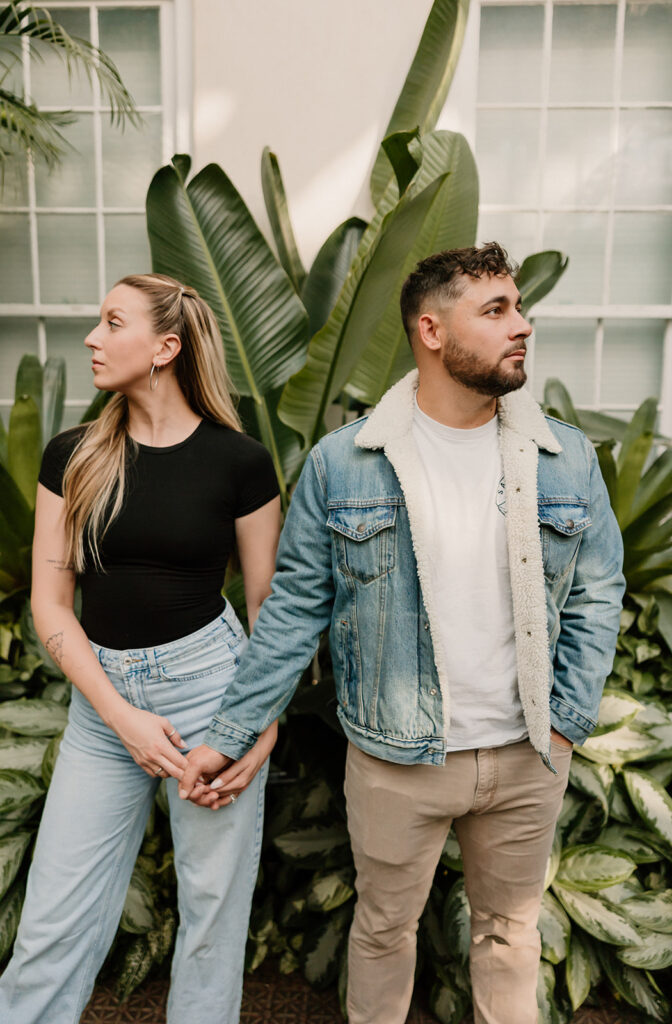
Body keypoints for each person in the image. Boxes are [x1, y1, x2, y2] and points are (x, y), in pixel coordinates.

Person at [181, 243, 625, 1024]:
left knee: (509, 933)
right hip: (394, 757)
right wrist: (231, 729)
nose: (520, 326)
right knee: (384, 929)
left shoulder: (565, 457)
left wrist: (562, 722)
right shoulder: (343, 464)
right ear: (430, 329)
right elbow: (292, 610)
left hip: (528, 752)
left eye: (519, 307)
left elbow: (595, 595)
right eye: (495, 311)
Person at [0, 273, 281, 1024]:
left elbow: (267, 613)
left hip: (213, 694)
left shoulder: (241, 463)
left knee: (211, 920)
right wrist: (120, 717)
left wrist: (261, 727)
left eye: (111, 323)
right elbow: (51, 605)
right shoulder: (73, 455)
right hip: (102, 707)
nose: (92, 338)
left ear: (166, 346)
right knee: (52, 920)